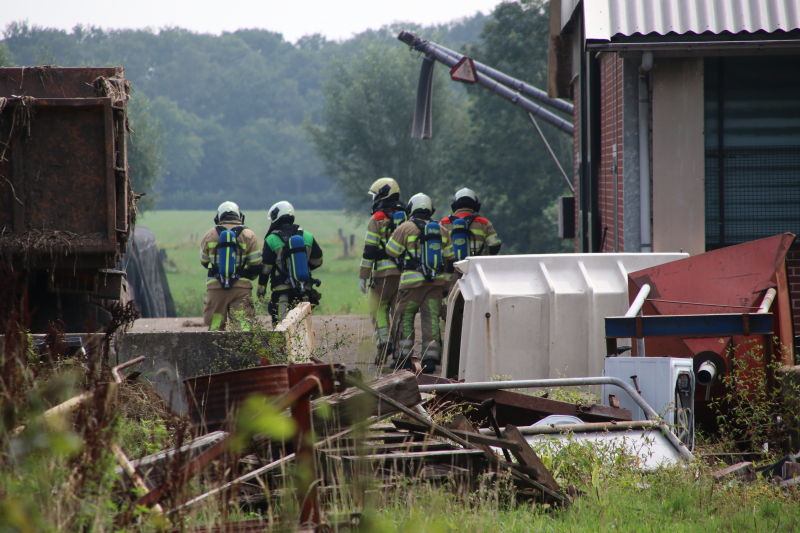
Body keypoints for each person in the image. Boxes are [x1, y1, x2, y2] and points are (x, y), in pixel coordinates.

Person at [385, 193, 455, 374]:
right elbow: (449, 260)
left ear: (411, 209)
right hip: (435, 286)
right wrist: (446, 286)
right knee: (431, 319)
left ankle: (403, 359)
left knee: (404, 318)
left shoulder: (406, 227)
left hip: (411, 285)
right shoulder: (441, 230)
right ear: (430, 210)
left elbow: (391, 251)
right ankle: (430, 360)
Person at [359, 177, 406, 365]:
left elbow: (370, 250)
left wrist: (363, 276)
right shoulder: (408, 215)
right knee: (398, 313)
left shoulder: (377, 218)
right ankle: (400, 354)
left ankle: (384, 343)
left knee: (377, 309)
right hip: (405, 275)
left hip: (382, 275)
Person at [257, 201, 323, 324]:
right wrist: (301, 267)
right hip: (305, 289)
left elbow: (265, 269)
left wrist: (261, 291)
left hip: (281, 292)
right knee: (303, 328)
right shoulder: (307, 236)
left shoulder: (271, 239)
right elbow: (317, 261)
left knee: (281, 328)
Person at [200, 201, 262, 331]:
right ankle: (241, 352)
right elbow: (256, 265)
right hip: (241, 289)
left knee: (215, 329)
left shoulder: (209, 235)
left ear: (218, 217)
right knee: (243, 329)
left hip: (216, 288)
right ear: (239, 216)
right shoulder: (249, 235)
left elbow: (204, 262)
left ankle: (216, 351)